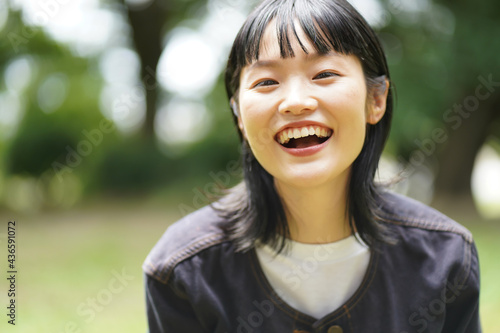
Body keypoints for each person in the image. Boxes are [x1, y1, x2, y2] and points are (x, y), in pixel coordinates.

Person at [143, 0, 481, 332]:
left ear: (375, 100)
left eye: (324, 74)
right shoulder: (183, 268)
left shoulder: (446, 258)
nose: (295, 102)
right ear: (239, 116)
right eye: (266, 82)